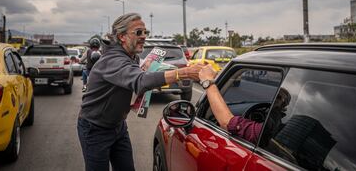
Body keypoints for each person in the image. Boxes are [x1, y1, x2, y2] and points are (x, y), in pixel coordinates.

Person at [77, 13, 204, 171]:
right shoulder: (112, 60)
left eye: (145, 32)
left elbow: (142, 78)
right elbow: (140, 81)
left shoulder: (132, 57)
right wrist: (183, 73)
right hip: (95, 128)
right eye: (138, 32)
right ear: (122, 36)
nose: (144, 36)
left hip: (118, 126)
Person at [198, 65, 290, 144]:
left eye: (278, 98)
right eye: (274, 96)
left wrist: (207, 81)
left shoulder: (269, 126)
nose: (274, 100)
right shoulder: (286, 125)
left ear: (284, 104)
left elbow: (227, 123)